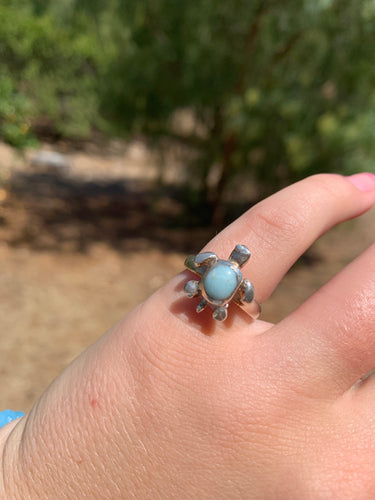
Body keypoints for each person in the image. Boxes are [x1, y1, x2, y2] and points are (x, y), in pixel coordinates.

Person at [1, 172, 375, 499]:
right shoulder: (225, 274)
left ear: (238, 266)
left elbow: (217, 279)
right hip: (210, 295)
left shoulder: (234, 281)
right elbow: (195, 266)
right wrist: (25, 481)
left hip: (212, 296)